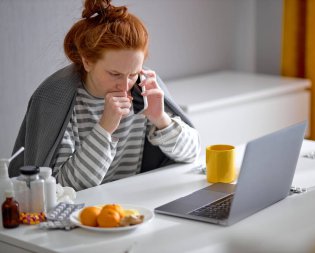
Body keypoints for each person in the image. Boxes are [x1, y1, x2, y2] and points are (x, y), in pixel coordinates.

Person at [9, 0, 200, 191]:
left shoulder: (143, 89)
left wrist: (161, 119)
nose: (125, 85)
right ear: (87, 61)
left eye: (133, 73)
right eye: (115, 74)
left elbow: (192, 154)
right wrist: (105, 128)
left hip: (134, 207)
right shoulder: (57, 99)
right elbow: (60, 188)